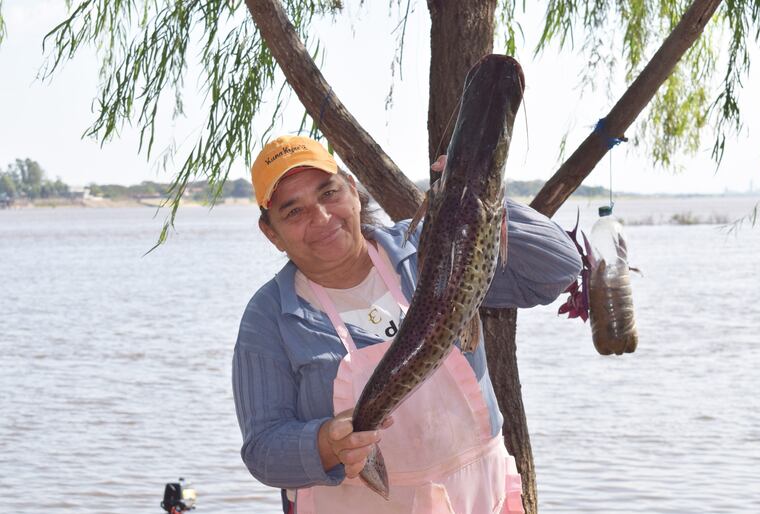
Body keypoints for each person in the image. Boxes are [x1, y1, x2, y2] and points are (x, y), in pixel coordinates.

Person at [233, 135, 582, 514]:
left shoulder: (431, 246)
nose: (321, 217)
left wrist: (479, 192)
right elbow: (263, 450)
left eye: (328, 193)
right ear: (272, 233)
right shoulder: (270, 316)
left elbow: (558, 268)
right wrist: (325, 442)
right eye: (293, 212)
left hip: (481, 499)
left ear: (352, 189)